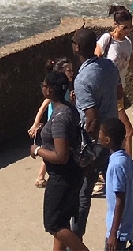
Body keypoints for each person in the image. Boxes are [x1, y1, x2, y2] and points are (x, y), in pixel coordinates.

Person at [71, 27, 121, 239]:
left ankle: (76, 239)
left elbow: (91, 119)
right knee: (117, 192)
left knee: (83, 194)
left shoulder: (82, 79)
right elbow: (119, 93)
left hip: (95, 143)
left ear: (77, 48)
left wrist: (88, 154)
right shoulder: (109, 66)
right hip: (113, 139)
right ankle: (123, 235)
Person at [31, 69, 87, 251]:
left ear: (50, 91)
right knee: (62, 221)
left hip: (62, 178)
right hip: (73, 175)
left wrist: (38, 149)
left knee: (54, 225)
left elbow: (60, 156)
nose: (42, 88)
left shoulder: (60, 118)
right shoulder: (69, 109)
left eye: (44, 85)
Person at [96, 8, 133, 171]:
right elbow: (95, 65)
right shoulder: (106, 40)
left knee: (111, 134)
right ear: (115, 25)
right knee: (127, 131)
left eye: (130, 27)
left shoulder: (128, 44)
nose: (128, 31)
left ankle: (109, 170)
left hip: (119, 94)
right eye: (125, 28)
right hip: (106, 94)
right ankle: (128, 170)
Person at [99, 117, 133, 251]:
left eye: (100, 134)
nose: (98, 136)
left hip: (118, 228)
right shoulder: (126, 160)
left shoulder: (116, 165)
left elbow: (120, 201)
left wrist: (113, 234)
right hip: (129, 221)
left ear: (107, 140)